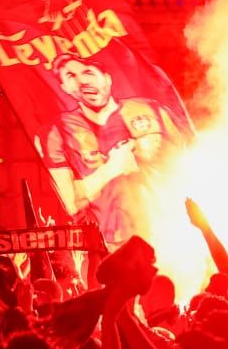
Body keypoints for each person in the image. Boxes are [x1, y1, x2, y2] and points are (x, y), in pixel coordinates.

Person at [44, 52, 190, 245]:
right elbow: (69, 203)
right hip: (110, 246)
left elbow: (190, 162)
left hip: (170, 234)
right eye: (71, 76)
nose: (82, 81)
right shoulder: (60, 131)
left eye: (88, 72)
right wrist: (111, 169)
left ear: (107, 78)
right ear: (65, 88)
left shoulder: (152, 110)